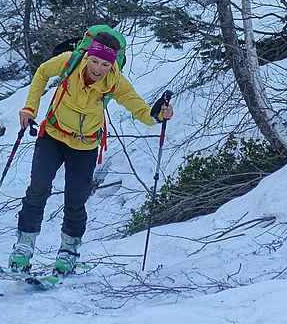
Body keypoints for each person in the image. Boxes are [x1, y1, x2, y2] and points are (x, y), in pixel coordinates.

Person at [9, 31, 174, 274]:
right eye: (95, 61)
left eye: (105, 64)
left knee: (75, 200)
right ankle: (24, 246)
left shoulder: (116, 82)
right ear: (88, 55)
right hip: (52, 136)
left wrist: (158, 116)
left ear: (113, 64)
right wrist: (30, 107)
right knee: (38, 188)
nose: (98, 68)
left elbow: (139, 110)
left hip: (84, 147)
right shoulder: (70, 61)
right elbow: (43, 71)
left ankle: (69, 252)